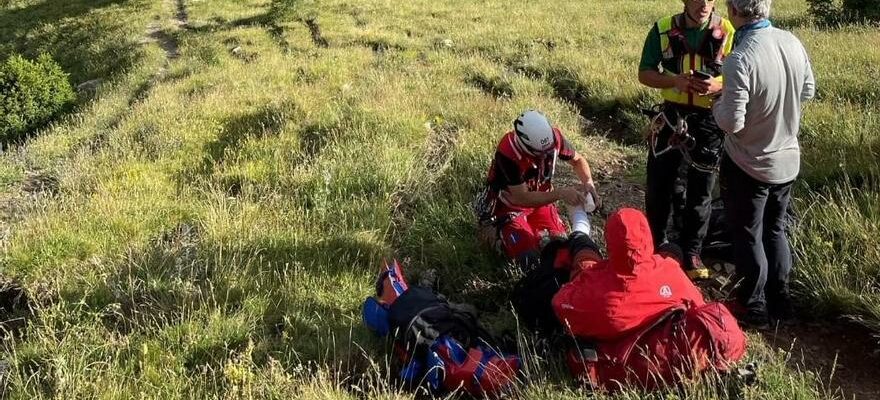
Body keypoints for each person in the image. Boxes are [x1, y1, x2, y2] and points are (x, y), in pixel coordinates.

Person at [713, 0, 815, 327]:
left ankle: (752, 305)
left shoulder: (740, 57)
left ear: (734, 11)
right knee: (776, 228)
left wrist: (715, 102)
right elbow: (808, 90)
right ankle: (780, 299)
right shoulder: (792, 41)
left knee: (748, 233)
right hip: (787, 158)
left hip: (749, 162)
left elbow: (731, 123)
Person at [638, 0, 736, 280]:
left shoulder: (728, 31)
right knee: (659, 186)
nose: (703, 4)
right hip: (671, 118)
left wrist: (717, 85)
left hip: (709, 120)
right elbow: (644, 73)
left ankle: (692, 251)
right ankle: (657, 245)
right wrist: (673, 82)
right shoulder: (662, 29)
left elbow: (743, 75)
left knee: (701, 191)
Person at [477, 110, 600, 265]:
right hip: (511, 207)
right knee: (528, 258)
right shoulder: (508, 152)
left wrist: (588, 182)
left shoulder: (554, 139)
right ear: (523, 144)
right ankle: (497, 237)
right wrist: (561, 193)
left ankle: (537, 236)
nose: (544, 157)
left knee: (559, 248)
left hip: (542, 202)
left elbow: (577, 160)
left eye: (548, 152)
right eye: (538, 154)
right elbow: (521, 197)